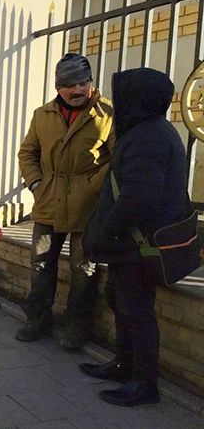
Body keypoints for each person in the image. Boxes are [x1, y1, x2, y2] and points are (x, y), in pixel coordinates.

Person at [81, 68, 189, 407]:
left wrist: (107, 229)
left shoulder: (149, 137)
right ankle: (123, 365)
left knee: (137, 312)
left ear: (136, 99)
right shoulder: (147, 131)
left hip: (136, 245)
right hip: (129, 245)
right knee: (121, 300)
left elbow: (139, 198)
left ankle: (144, 384)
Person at [16, 53, 115, 349]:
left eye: (83, 82)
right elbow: (27, 153)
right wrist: (36, 183)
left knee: (83, 268)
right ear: (58, 87)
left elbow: (117, 157)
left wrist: (90, 187)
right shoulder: (42, 114)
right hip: (48, 203)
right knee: (41, 263)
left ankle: (76, 326)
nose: (78, 90)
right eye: (70, 84)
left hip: (88, 207)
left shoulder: (108, 113)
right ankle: (38, 319)